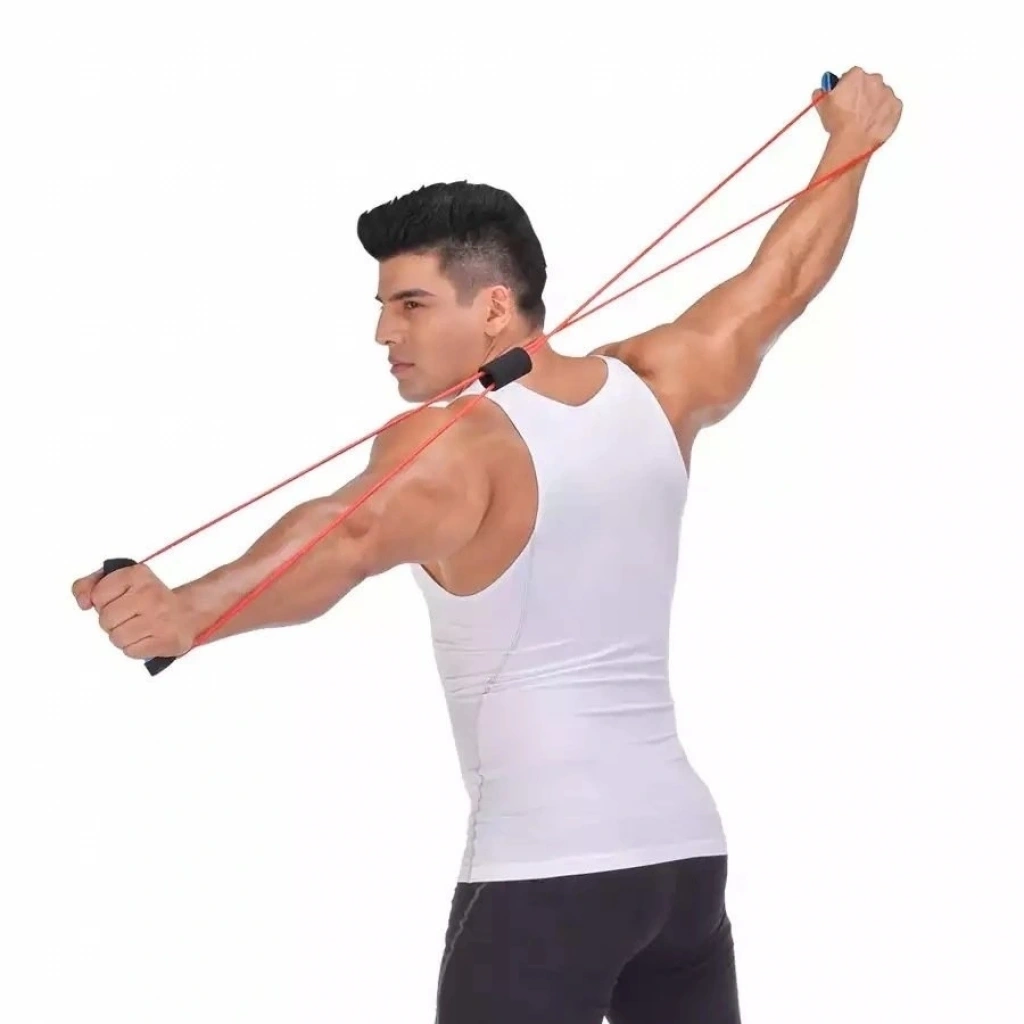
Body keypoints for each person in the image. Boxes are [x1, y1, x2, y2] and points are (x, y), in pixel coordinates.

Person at [72, 68, 901, 1023]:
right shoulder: (661, 386)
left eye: (411, 304)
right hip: (682, 861)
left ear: (496, 308)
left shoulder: (457, 442)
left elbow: (347, 534)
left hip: (546, 875)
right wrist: (852, 144)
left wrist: (190, 613)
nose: (383, 331)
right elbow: (780, 284)